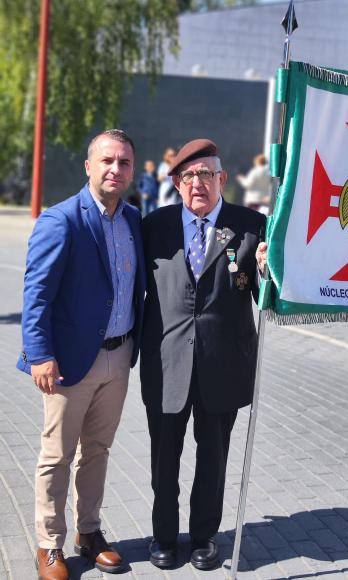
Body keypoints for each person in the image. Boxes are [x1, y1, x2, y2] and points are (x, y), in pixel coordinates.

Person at [17, 129, 145, 580]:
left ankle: (88, 533)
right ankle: (49, 544)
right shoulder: (61, 220)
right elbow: (36, 295)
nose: (116, 169)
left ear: (132, 171)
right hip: (70, 361)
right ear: (88, 167)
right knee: (57, 454)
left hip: (119, 355)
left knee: (98, 450)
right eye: (107, 160)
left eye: (124, 162)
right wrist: (39, 354)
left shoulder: (132, 220)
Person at [141, 138, 267, 570]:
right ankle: (162, 536)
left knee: (213, 457)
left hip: (223, 363)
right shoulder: (152, 226)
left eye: (206, 174)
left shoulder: (251, 226)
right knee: (164, 459)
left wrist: (271, 267)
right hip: (166, 361)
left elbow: (270, 290)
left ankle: (204, 537)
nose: (198, 183)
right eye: (188, 176)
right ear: (176, 183)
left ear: (222, 179)